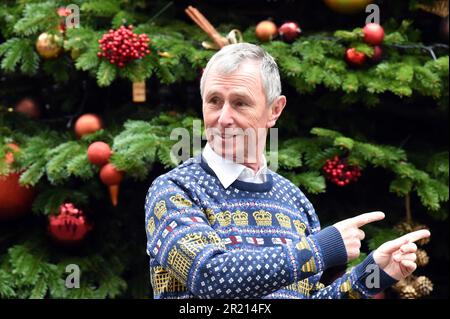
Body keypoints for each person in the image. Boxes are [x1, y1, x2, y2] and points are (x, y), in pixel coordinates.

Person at [144, 43, 430, 299]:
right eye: (214, 101)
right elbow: (211, 277)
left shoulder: (294, 200)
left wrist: (373, 274)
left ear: (274, 110)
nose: (224, 118)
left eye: (240, 103)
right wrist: (322, 247)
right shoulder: (175, 190)